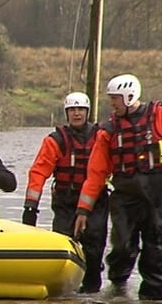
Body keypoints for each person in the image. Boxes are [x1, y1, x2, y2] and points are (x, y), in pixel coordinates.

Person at [73, 74, 162, 300]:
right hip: (124, 197)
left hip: (157, 193)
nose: (111, 103)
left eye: (115, 99)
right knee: (122, 246)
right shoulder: (108, 131)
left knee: (157, 246)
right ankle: (118, 286)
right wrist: (84, 210)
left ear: (129, 97)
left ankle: (152, 301)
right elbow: (96, 174)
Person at [22, 92, 109, 293]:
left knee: (94, 247)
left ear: (87, 112)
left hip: (96, 202)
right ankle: (64, 291)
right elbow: (38, 172)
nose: (76, 114)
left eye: (80, 110)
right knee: (63, 245)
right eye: (72, 110)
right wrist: (30, 208)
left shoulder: (101, 137)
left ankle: (91, 292)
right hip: (66, 202)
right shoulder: (56, 140)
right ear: (66, 113)